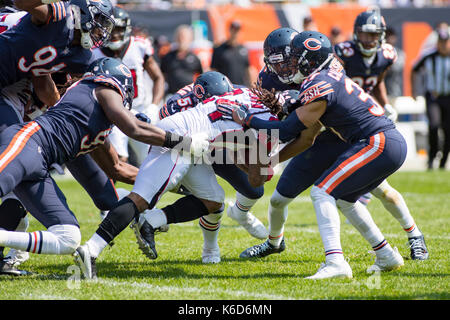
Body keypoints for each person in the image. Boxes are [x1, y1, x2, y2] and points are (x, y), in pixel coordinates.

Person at [220, 31, 408, 279]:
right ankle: (386, 254)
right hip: (378, 140)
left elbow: (291, 129)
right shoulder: (327, 73)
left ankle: (336, 262)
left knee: (322, 192)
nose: (293, 64)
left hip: (372, 142)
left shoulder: (318, 82)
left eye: (297, 58)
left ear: (309, 60)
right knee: (344, 200)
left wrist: (249, 120)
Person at [0, 57, 209, 275]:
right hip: (27, 143)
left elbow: (117, 168)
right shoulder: (100, 86)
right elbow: (134, 128)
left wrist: (172, 184)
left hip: (39, 168)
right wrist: (184, 142)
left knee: (69, 237)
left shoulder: (96, 125)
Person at [255, 26, 428, 263]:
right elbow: (301, 134)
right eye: (276, 62)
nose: (283, 68)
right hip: (315, 140)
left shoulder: (320, 72)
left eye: (287, 60)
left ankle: (414, 235)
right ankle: (274, 243)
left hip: (346, 138)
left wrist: (260, 125)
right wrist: (269, 156)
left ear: (300, 57)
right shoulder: (268, 79)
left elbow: (304, 124)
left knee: (380, 191)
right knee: (279, 199)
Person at [74, 86, 278, 279]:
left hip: (191, 138)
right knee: (142, 197)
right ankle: (91, 249)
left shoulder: (246, 95)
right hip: (183, 138)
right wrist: (264, 168)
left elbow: (234, 146)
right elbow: (255, 180)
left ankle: (151, 221)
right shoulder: (267, 124)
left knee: (213, 200)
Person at [160, 71, 268, 240]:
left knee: (254, 189)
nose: (220, 104)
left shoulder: (237, 92)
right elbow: (166, 135)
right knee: (209, 200)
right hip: (191, 148)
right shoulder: (176, 105)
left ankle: (240, 213)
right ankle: (210, 249)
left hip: (220, 142)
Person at [92, 6, 165, 167]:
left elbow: (158, 77)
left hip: (140, 111)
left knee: (152, 160)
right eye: (110, 29)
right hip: (112, 113)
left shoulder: (139, 46)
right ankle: (114, 192)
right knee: (117, 159)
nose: (114, 34)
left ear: (126, 28)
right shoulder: (94, 51)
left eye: (118, 29)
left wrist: (153, 106)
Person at [411, 27, 450, 170]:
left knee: (448, 130)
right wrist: (415, 90)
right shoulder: (428, 56)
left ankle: (443, 161)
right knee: (433, 125)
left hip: (448, 97)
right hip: (433, 96)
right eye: (441, 41)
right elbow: (414, 69)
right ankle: (431, 158)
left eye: (446, 41)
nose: (443, 44)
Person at [160, 24, 203, 96]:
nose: (182, 39)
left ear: (190, 39)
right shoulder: (168, 57)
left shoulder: (195, 58)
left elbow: (201, 76)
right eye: (180, 36)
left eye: (184, 37)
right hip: (172, 95)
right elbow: (161, 76)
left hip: (190, 96)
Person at [210, 20, 252, 87]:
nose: (235, 33)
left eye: (237, 30)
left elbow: (248, 69)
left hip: (242, 88)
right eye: (233, 30)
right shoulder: (219, 49)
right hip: (225, 87)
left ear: (240, 32)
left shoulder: (243, 49)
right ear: (229, 30)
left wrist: (251, 85)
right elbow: (214, 70)